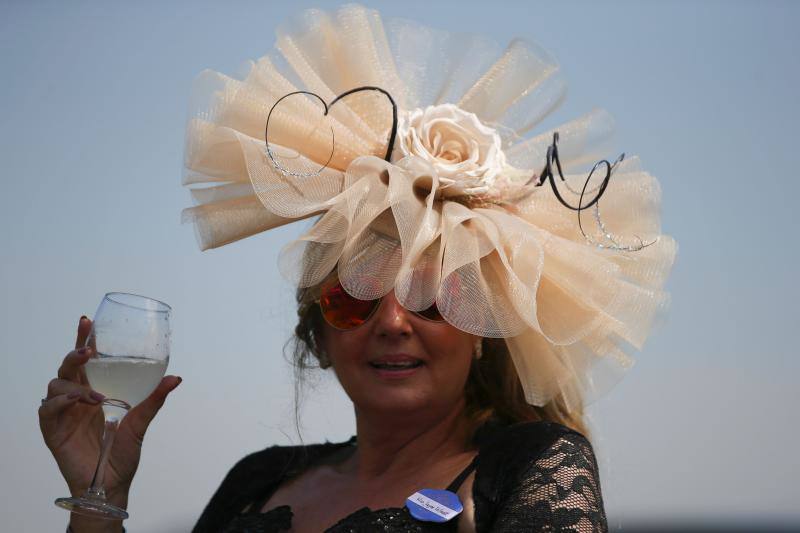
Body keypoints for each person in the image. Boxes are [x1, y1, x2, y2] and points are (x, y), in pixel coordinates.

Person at [40, 4, 676, 531]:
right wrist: (103, 496)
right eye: (355, 296)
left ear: (483, 328)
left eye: (430, 294)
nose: (394, 321)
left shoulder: (534, 467)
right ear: (316, 333)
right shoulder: (257, 481)